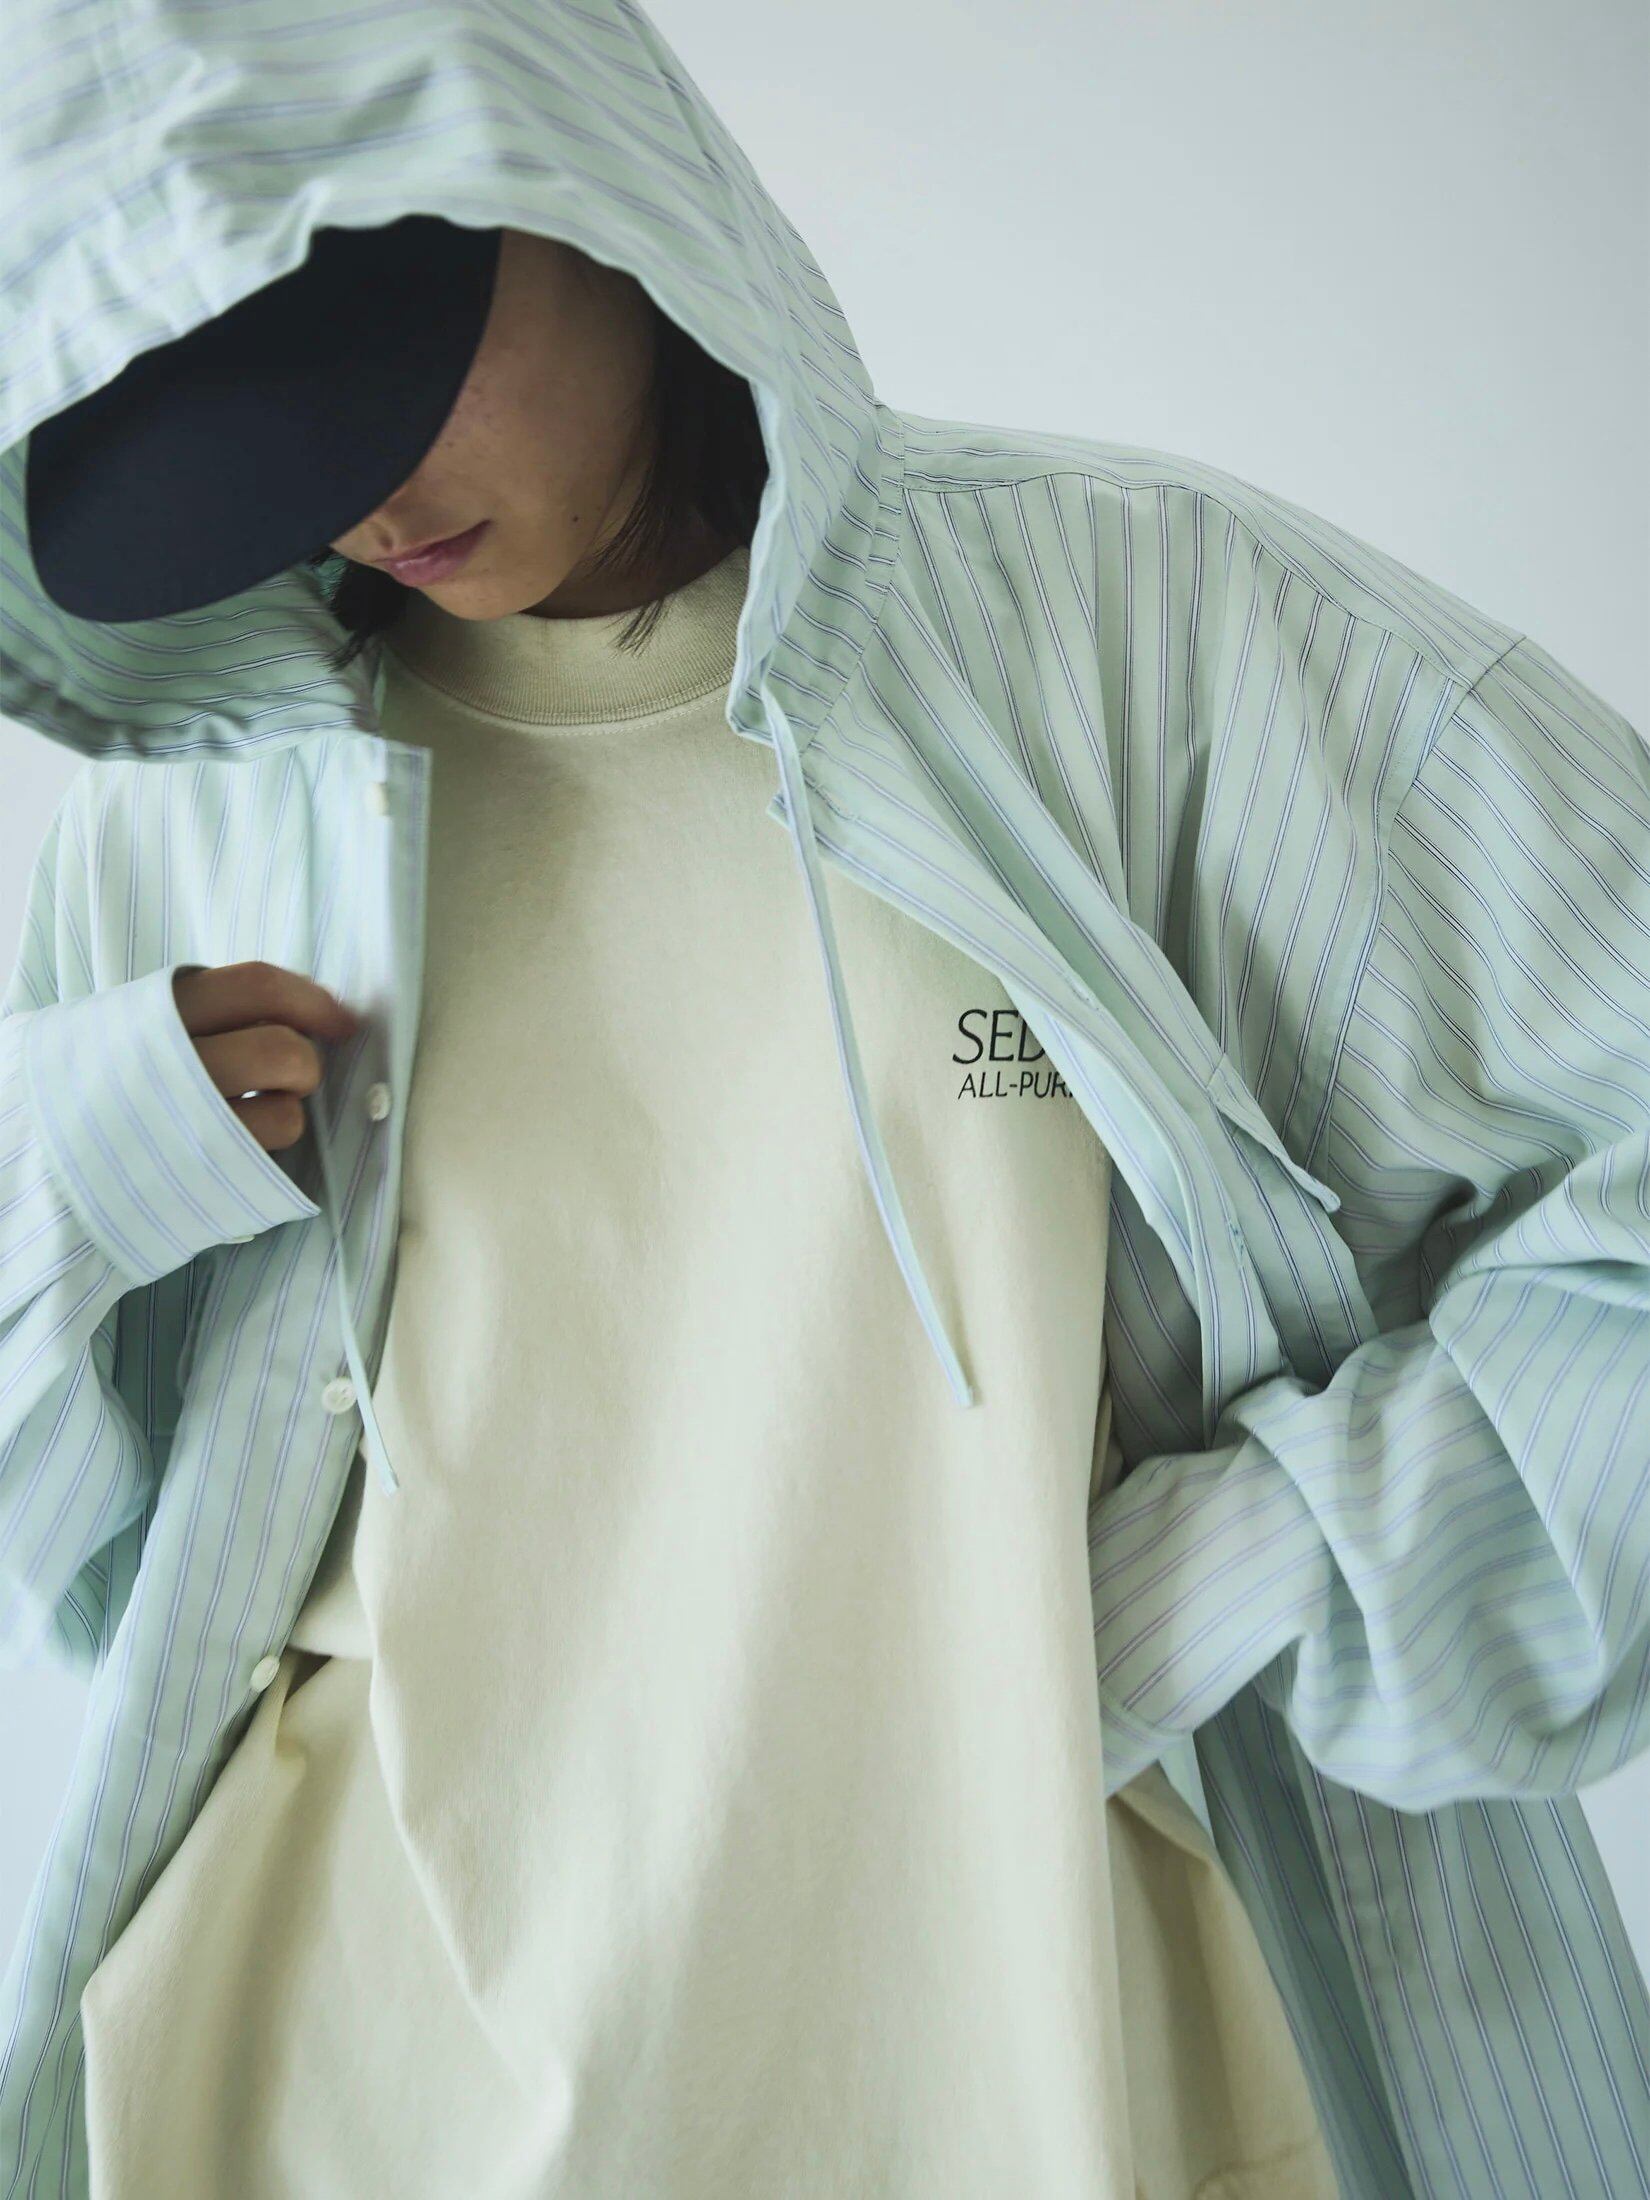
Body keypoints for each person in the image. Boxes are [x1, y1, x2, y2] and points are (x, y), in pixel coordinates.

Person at [0, 4, 1645, 2198]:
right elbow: (73, 1569)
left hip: (1057, 2044)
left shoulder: (1151, 643)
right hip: (344, 2073)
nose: (355, 498)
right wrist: (70, 1169)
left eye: (370, 377)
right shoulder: (188, 814)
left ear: (588, 185)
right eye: (239, 447)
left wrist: (1251, 1566)